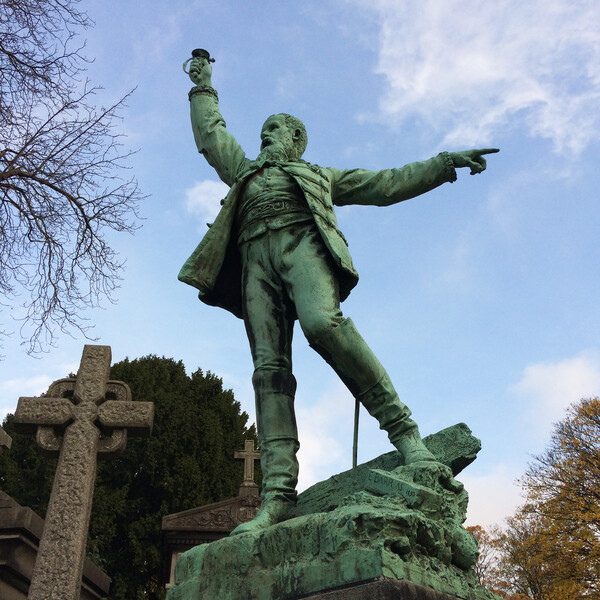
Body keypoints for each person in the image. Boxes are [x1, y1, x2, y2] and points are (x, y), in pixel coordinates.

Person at [180, 51, 498, 535]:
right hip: (253, 261)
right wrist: (203, 88)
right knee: (268, 371)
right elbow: (212, 136)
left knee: (322, 324)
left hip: (300, 245)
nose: (266, 134)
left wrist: (442, 164)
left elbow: (385, 184)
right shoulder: (244, 172)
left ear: (296, 140)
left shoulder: (319, 177)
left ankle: (405, 434)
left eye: (276, 129)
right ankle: (277, 497)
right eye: (264, 128)